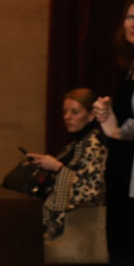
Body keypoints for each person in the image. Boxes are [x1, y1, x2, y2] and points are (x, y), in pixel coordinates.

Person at [93, 0, 134, 266]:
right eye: (131, 17)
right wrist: (107, 115)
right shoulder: (132, 66)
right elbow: (121, 127)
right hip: (123, 175)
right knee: (126, 262)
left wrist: (119, 130)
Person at [25, 88, 107, 239]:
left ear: (91, 115)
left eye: (74, 112)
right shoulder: (75, 144)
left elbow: (92, 192)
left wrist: (57, 167)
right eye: (65, 112)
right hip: (59, 220)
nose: (67, 117)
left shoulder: (94, 145)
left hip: (78, 226)